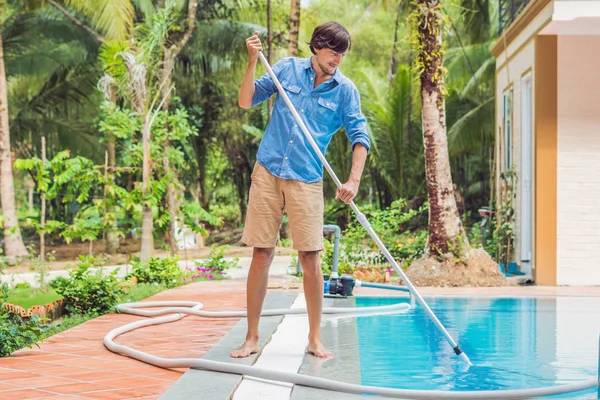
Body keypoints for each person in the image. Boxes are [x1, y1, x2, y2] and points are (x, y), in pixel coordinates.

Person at [230, 21, 370, 359]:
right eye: (334, 53)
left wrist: (353, 180)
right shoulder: (285, 69)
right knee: (261, 252)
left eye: (342, 55)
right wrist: (252, 60)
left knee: (310, 258)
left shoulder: (345, 90)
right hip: (268, 170)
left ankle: (314, 338)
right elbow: (246, 101)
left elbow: (360, 137)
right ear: (318, 46)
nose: (338, 59)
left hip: (306, 177)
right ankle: (251, 337)